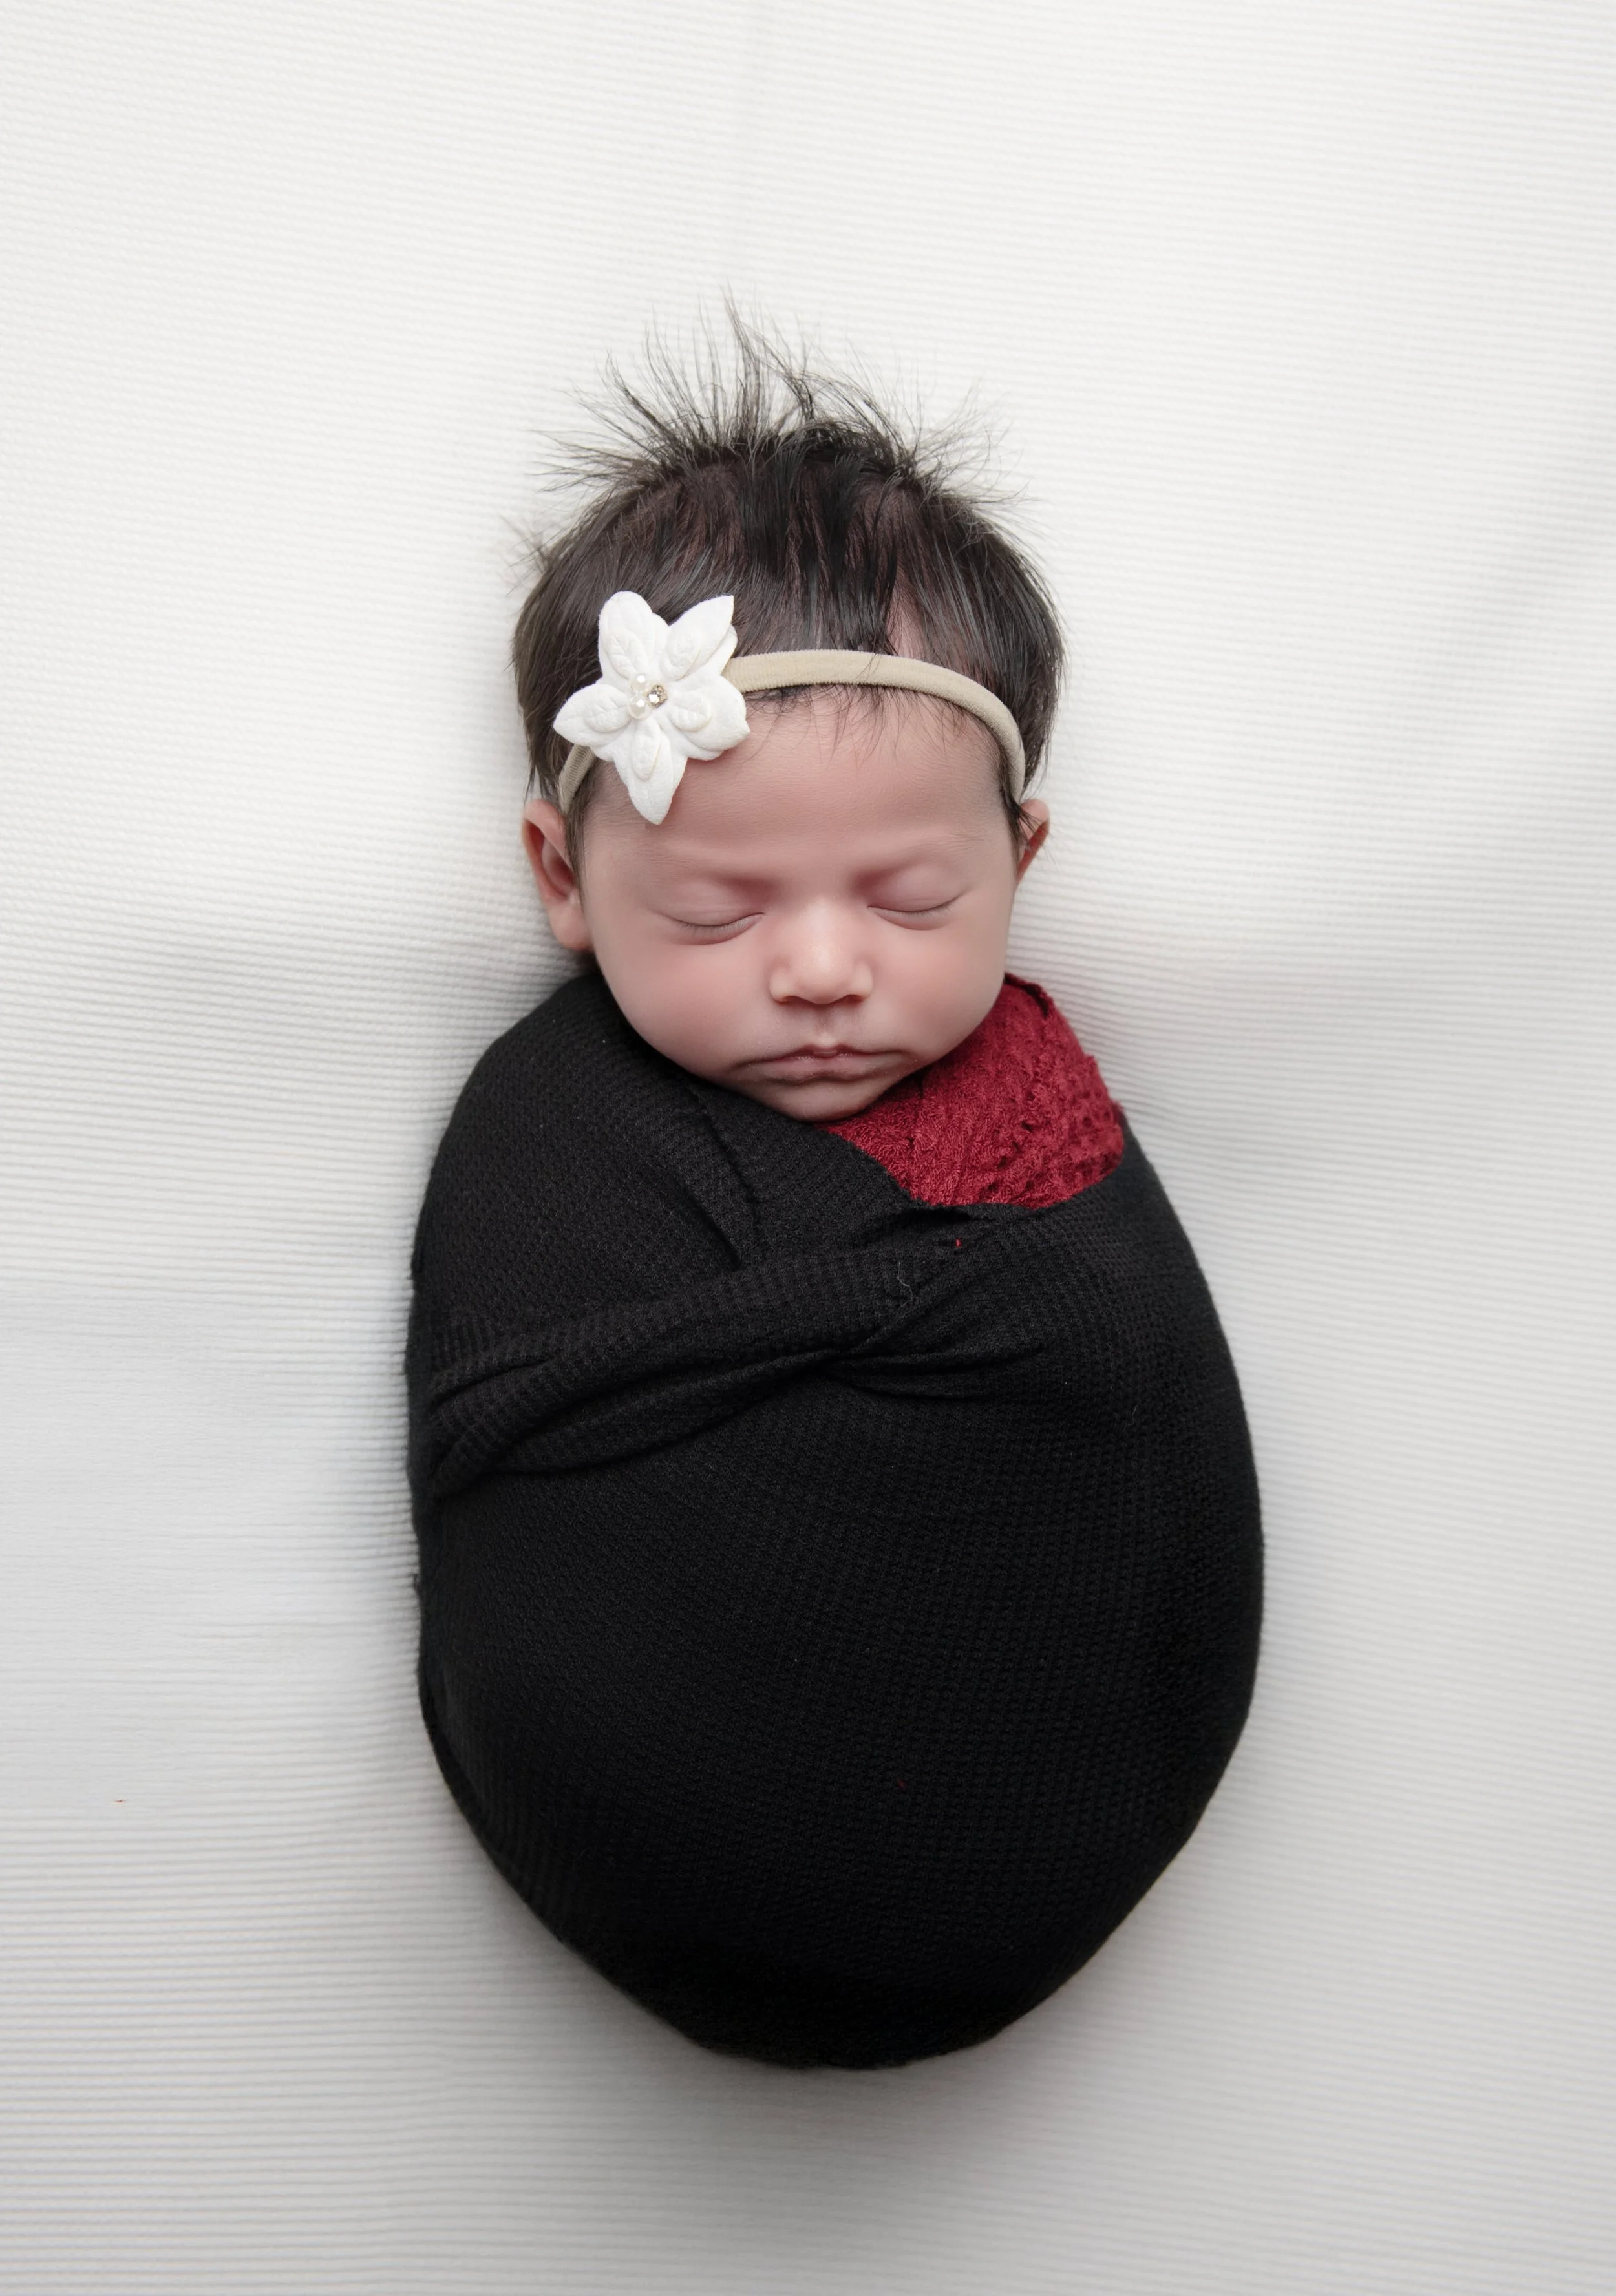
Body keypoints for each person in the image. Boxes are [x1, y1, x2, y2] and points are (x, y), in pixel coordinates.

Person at [406, 325, 1262, 2069]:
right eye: (717, 913)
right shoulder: (557, 1134)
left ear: (1020, 860)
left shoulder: (1046, 1120)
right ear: (561, 877)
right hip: (677, 1833)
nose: (817, 971)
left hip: (1048, 1808)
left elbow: (1118, 1385)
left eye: (911, 902)